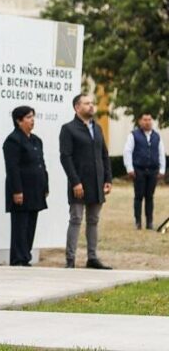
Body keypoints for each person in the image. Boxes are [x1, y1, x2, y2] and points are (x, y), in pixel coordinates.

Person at [59, 94, 113, 269]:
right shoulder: (68, 129)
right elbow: (65, 157)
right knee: (76, 219)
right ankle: (70, 259)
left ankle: (92, 257)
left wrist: (108, 179)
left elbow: (104, 155)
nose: (91, 106)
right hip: (79, 183)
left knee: (93, 220)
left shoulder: (97, 128)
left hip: (97, 183)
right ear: (77, 107)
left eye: (92, 103)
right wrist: (75, 182)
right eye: (87, 103)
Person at [3, 106, 49, 266]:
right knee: (20, 226)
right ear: (18, 120)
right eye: (28, 117)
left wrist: (45, 185)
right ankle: (18, 259)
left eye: (33, 117)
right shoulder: (13, 140)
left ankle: (26, 256)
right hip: (21, 189)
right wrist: (17, 190)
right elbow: (12, 168)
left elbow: (41, 163)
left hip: (36, 189)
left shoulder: (36, 140)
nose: (32, 120)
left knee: (31, 225)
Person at [123, 113, 166, 230]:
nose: (147, 122)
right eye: (145, 119)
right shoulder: (133, 135)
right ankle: (138, 221)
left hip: (153, 170)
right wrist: (130, 168)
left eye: (149, 119)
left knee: (150, 197)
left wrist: (162, 169)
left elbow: (161, 153)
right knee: (138, 196)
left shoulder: (157, 136)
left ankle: (149, 222)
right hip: (139, 170)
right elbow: (127, 152)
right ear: (140, 121)